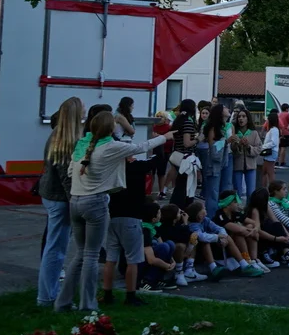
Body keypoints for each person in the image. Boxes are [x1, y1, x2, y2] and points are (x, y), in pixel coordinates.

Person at [55, 111, 174, 312]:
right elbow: (141, 147)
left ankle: (63, 302)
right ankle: (87, 305)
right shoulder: (110, 146)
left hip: (75, 201)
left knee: (80, 255)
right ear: (111, 129)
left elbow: (69, 172)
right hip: (95, 203)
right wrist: (165, 137)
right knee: (91, 255)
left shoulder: (82, 145)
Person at [100, 132, 160, 305]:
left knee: (111, 258)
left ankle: (107, 294)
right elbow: (158, 160)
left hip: (114, 217)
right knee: (133, 259)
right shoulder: (137, 167)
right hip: (132, 217)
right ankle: (130, 295)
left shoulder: (112, 169)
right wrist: (161, 140)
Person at [35, 97, 83, 305]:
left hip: (51, 195)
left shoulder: (57, 135)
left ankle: (48, 293)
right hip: (59, 198)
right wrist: (75, 201)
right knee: (56, 248)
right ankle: (47, 296)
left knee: (55, 246)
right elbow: (66, 176)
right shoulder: (66, 140)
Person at [163, 100, 197, 199]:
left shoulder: (178, 120)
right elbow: (187, 143)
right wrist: (198, 139)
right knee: (184, 185)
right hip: (186, 157)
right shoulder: (188, 122)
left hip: (177, 152)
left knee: (177, 178)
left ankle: (165, 190)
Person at [230, 107, 261, 199]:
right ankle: (238, 207)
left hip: (250, 165)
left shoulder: (254, 133)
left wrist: (248, 146)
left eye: (243, 116)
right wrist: (238, 145)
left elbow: (258, 148)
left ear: (248, 118)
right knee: (237, 191)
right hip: (237, 165)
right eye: (239, 117)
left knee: (251, 192)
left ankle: (249, 208)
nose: (241, 118)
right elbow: (231, 149)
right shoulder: (234, 133)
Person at [260, 110, 281, 191]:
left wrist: (263, 147)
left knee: (269, 172)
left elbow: (273, 142)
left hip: (271, 152)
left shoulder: (274, 130)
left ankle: (272, 190)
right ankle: (266, 189)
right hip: (271, 152)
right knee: (265, 171)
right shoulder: (273, 130)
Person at [277, 103, 289, 168]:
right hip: (286, 131)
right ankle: (282, 162)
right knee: (284, 148)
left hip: (280, 131)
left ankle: (277, 161)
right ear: (286, 109)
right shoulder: (287, 114)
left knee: (279, 147)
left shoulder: (279, 114)